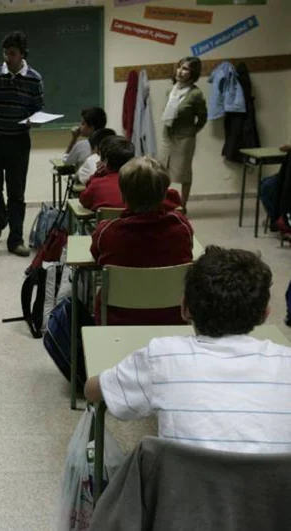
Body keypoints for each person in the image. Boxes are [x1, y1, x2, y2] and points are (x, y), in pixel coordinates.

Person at [85, 246, 291, 454]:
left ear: (184, 308)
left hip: (181, 486)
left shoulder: (162, 356)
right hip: (274, 487)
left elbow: (93, 391)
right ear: (264, 314)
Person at [91, 156, 193, 326]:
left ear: (123, 196)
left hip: (118, 319)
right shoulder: (181, 227)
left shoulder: (107, 231)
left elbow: (97, 257)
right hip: (173, 318)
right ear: (164, 194)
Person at [0, 30, 44, 257]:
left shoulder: (34, 78)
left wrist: (36, 120)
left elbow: (38, 108)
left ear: (22, 54)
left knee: (16, 193)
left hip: (18, 142)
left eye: (11, 53)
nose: (7, 57)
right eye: (5, 52)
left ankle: (16, 240)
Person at [160, 56, 208, 213]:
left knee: (183, 173)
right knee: (162, 171)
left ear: (193, 73)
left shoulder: (195, 94)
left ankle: (183, 206)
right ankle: (162, 203)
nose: (180, 71)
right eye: (179, 67)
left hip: (184, 138)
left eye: (185, 69)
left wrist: (192, 131)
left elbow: (203, 117)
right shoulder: (171, 90)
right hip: (167, 135)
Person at [79, 136, 135, 211]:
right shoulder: (139, 182)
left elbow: (83, 200)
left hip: (107, 222)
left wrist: (96, 175)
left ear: (105, 160)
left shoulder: (96, 184)